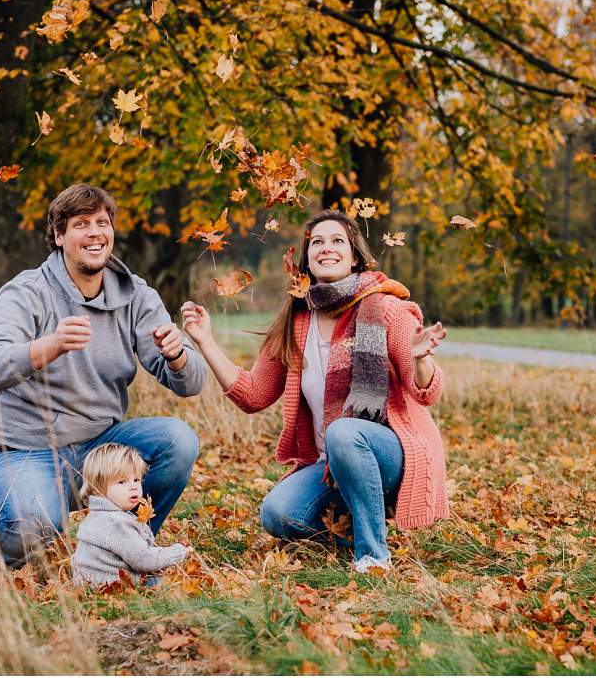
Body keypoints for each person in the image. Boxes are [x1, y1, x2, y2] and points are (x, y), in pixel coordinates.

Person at [180, 210, 448, 573]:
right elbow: (254, 394)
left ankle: (373, 557)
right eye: (317, 242)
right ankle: (354, 527)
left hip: (389, 454)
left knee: (344, 431)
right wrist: (205, 341)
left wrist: (419, 360)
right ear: (306, 260)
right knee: (277, 515)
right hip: (330, 465)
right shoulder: (297, 321)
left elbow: (427, 393)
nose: (326, 248)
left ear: (354, 256)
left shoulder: (385, 308)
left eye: (337, 240)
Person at [0, 183, 207, 567]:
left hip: (97, 448)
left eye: (102, 222)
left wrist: (177, 355)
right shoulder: (26, 292)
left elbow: (191, 384)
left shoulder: (136, 296)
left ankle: (121, 550)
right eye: (81, 223)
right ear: (59, 236)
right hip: (19, 450)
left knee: (177, 441)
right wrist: (50, 345)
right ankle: (16, 562)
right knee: (34, 519)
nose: (95, 232)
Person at [72, 443, 192, 584]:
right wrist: (179, 552)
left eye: (136, 480)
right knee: (174, 583)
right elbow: (143, 559)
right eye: (122, 482)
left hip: (93, 585)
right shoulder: (116, 523)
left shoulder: (96, 517)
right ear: (98, 490)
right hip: (113, 587)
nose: (133, 486)